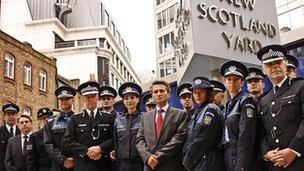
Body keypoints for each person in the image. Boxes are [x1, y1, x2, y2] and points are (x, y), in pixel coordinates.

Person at [257, 44, 304, 170]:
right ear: (264, 70)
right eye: (269, 64)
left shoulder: (300, 86)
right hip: (275, 165)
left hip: (300, 160)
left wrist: (293, 150)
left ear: (285, 63)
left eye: (278, 62)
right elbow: (261, 132)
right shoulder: (264, 99)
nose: (275, 66)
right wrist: (266, 153)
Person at [136, 80, 187, 171]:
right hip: (150, 166)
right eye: (155, 92)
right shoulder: (145, 117)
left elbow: (179, 139)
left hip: (171, 166)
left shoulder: (180, 114)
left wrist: (157, 157)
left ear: (168, 94)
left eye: (162, 91)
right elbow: (139, 140)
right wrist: (148, 157)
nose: (159, 94)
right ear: (152, 95)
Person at [64, 81, 114, 171]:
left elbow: (115, 138)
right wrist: (87, 152)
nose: (91, 99)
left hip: (103, 165)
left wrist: (100, 148)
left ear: (98, 97)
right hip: (83, 165)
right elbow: (68, 141)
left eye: (93, 96)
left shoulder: (109, 117)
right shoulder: (74, 119)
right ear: (83, 99)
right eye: (87, 97)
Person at [220, 60, 259, 171]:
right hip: (229, 153)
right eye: (229, 79)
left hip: (241, 155)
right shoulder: (228, 105)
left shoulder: (246, 101)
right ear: (225, 82)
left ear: (242, 83)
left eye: (236, 79)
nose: (232, 82)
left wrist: (241, 166)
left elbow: (246, 136)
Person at [183, 77, 224, 171]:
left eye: (201, 91)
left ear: (208, 93)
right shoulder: (198, 111)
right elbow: (190, 139)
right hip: (198, 161)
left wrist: (187, 160)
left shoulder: (211, 109)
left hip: (208, 160)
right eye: (195, 92)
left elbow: (203, 138)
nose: (197, 95)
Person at [111, 82, 144, 171]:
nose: (129, 101)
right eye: (126, 98)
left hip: (140, 164)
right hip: (122, 165)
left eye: (132, 97)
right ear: (123, 101)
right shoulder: (118, 120)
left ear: (138, 99)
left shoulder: (145, 118)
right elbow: (116, 142)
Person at [44, 85, 76, 171]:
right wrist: (63, 159)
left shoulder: (80, 119)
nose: (64, 101)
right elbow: (48, 144)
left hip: (77, 164)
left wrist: (75, 159)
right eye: (61, 99)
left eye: (67, 98)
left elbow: (84, 141)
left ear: (73, 100)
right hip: (58, 165)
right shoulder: (50, 122)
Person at [0, 103, 21, 171]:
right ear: (4, 117)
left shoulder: (21, 131)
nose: (11, 116)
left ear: (17, 116)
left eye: (13, 114)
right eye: (8, 114)